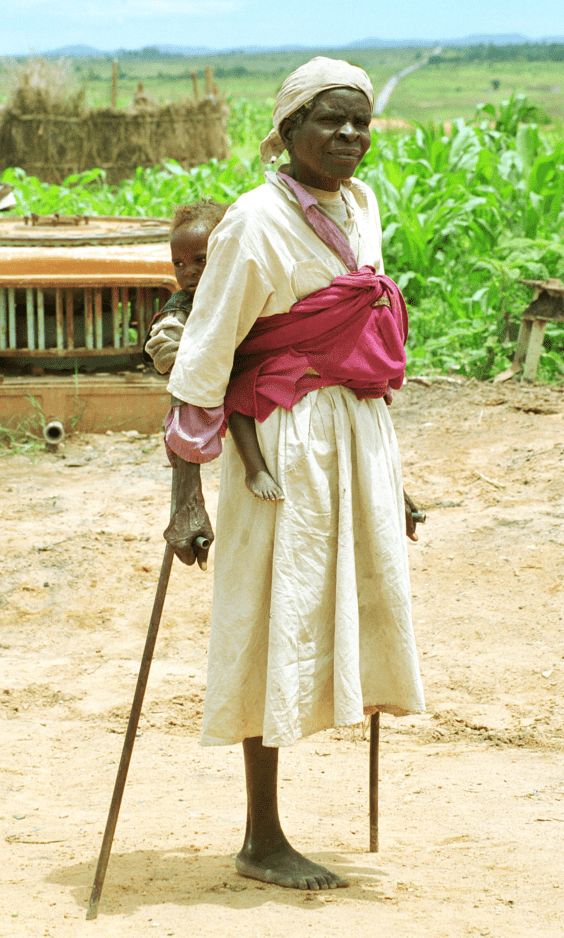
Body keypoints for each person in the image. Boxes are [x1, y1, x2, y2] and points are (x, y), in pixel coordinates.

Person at [162, 57, 425, 891]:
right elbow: (202, 368)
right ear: (288, 131)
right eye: (329, 122)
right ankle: (261, 837)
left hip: (356, 437)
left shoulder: (362, 204)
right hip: (278, 445)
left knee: (348, 608)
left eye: (360, 123)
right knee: (266, 617)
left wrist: (395, 474)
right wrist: (185, 500)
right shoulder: (252, 223)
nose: (348, 136)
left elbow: (358, 340)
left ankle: (279, 830)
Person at [144, 201, 284, 501]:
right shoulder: (184, 302)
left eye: (200, 260)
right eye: (178, 264)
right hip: (219, 383)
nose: (189, 273)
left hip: (261, 374)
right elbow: (166, 344)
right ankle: (255, 469)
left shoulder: (243, 285)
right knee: (235, 393)